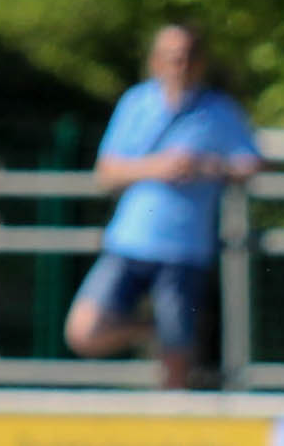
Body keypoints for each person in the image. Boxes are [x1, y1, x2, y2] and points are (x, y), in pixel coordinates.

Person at [64, 22, 263, 389]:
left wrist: (206, 167)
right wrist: (156, 167)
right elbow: (105, 173)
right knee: (85, 331)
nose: (179, 65)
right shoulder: (136, 103)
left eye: (187, 57)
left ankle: (175, 419)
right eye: (172, 57)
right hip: (130, 241)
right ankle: (150, 329)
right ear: (155, 61)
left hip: (185, 249)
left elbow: (252, 164)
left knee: (177, 361)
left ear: (200, 62)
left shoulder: (219, 111)